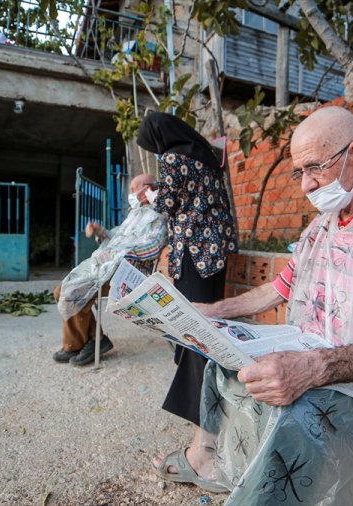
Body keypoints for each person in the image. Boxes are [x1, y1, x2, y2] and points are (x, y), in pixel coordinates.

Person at [151, 107, 353, 504]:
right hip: (315, 352)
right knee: (220, 358)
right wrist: (211, 312)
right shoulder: (324, 223)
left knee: (296, 410)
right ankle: (213, 462)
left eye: (315, 167)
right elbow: (277, 289)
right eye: (299, 172)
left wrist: (312, 368)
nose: (305, 185)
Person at [136, 112, 239, 485]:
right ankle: (209, 421)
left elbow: (166, 204)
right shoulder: (206, 155)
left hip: (194, 256)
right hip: (214, 256)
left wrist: (151, 193)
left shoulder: (173, 157)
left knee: (195, 336)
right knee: (203, 330)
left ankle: (204, 445)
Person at [53, 173, 167, 366]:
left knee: (72, 291)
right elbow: (117, 238)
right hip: (109, 268)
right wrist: (100, 231)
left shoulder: (158, 216)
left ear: (147, 189)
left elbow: (154, 246)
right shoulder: (134, 214)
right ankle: (90, 340)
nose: (130, 194)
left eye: (133, 190)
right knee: (62, 290)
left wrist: (122, 253)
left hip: (128, 274)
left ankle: (82, 343)